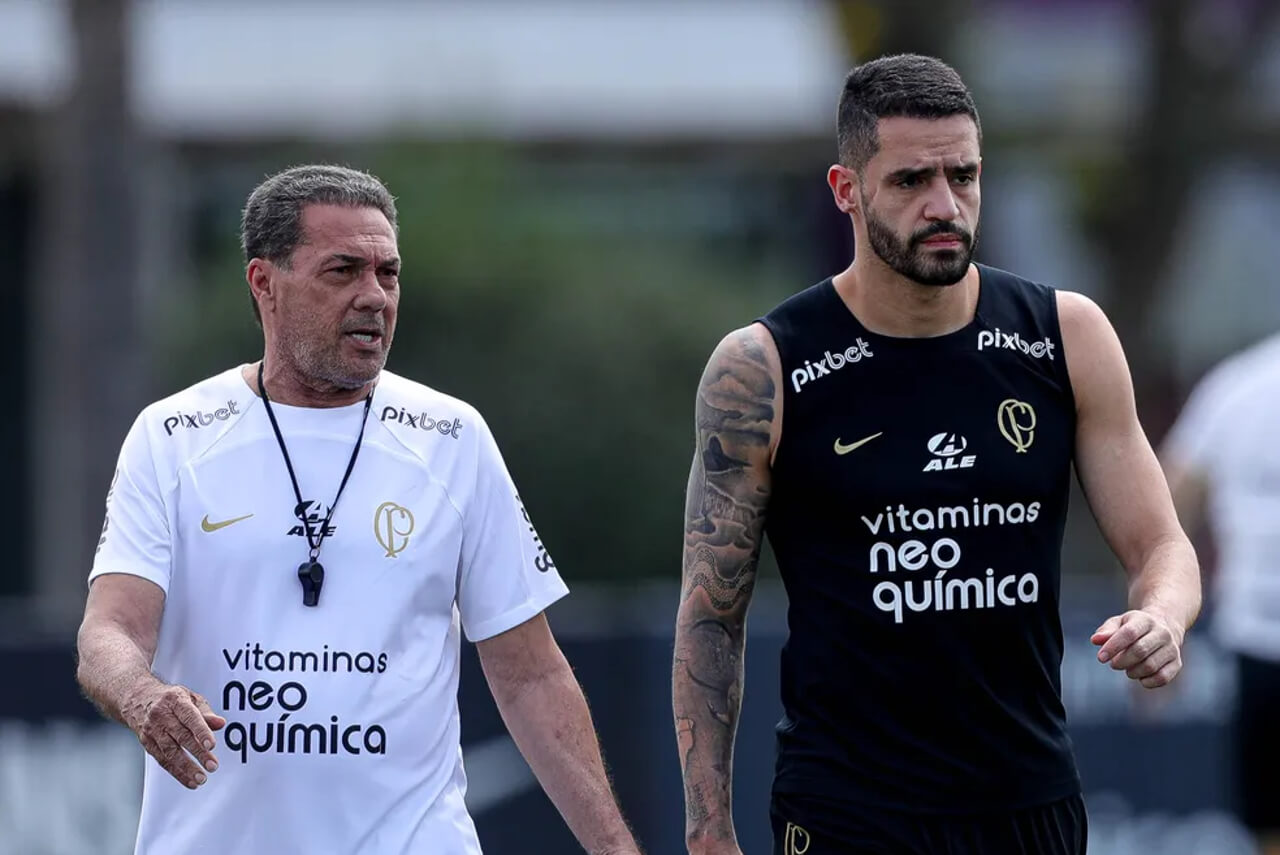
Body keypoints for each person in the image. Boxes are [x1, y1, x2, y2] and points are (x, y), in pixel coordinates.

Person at [672, 54, 1201, 855]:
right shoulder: (763, 368)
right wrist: (708, 830)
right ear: (847, 190)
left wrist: (1163, 614)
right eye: (912, 181)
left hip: (1029, 804)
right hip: (849, 811)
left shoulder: (1067, 335)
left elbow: (1163, 544)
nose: (945, 205)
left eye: (965, 175)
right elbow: (711, 616)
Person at [76, 164, 641, 855]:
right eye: (343, 270)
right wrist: (143, 697)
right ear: (264, 284)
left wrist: (618, 849)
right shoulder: (171, 436)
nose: (374, 296)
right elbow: (108, 633)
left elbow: (531, 671)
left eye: (389, 273)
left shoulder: (453, 438)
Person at [1161, 333, 1280, 855]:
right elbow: (1166, 507)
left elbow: (1165, 506)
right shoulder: (1237, 386)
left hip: (1256, 638)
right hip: (1257, 638)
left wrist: (1157, 611)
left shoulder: (1235, 385)